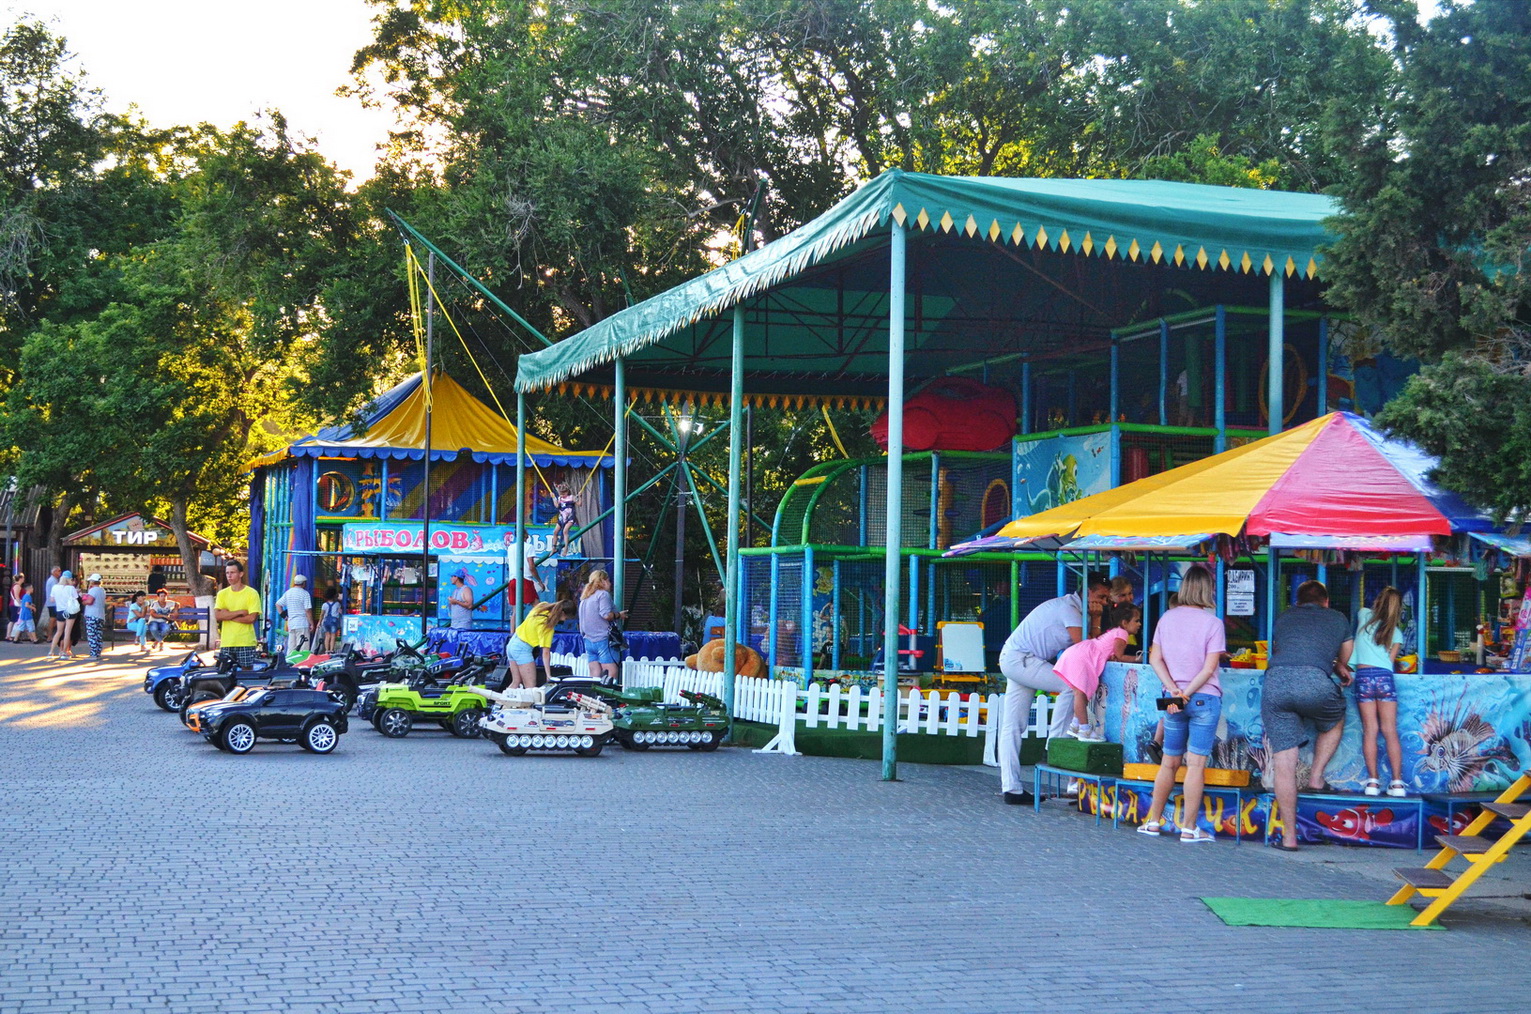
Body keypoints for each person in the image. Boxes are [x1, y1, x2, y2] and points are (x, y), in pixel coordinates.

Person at [996, 575, 1110, 805]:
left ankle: (1012, 788)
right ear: (1087, 593)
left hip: (1018, 658)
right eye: (1101, 597)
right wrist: (1097, 618)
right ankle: (1054, 743)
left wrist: (1095, 617)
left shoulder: (1071, 607)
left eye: (1107, 598)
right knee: (1072, 685)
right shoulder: (1069, 609)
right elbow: (1086, 649)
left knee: (1012, 726)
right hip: (1023, 659)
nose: (1105, 602)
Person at [1137, 565, 1227, 844]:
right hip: (1203, 698)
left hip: (1173, 701)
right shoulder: (1213, 623)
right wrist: (1187, 692)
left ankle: (1152, 821)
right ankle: (1189, 828)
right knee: (1196, 765)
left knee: (1169, 762)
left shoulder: (1166, 618)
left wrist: (1173, 690)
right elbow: (1209, 666)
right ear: (1208, 589)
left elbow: (1155, 659)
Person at [1263, 579, 1354, 852]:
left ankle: (1289, 838)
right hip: (1315, 681)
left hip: (1276, 683)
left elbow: (1281, 647)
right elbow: (1345, 655)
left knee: (1284, 765)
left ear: (1298, 602)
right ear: (1326, 601)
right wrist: (1339, 666)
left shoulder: (1285, 617)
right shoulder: (1337, 618)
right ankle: (1316, 777)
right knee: (1335, 717)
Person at [1054, 605, 1141, 740]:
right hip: (1083, 657)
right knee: (1080, 694)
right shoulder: (1122, 633)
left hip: (1081, 654)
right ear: (1124, 623)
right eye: (1136, 620)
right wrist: (1140, 658)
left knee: (1080, 693)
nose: (1139, 624)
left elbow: (1112, 654)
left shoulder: (1115, 632)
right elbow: (1120, 656)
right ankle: (1084, 730)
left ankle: (1075, 725)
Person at [1354, 586, 1407, 798]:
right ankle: (1396, 784)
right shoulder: (1397, 633)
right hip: (1384, 678)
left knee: (1370, 729)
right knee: (1390, 730)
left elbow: (1367, 609)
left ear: (1377, 602)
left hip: (1364, 677)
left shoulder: (1364, 617)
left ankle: (1373, 783)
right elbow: (1389, 662)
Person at [505, 598, 577, 689]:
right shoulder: (547, 626)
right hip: (522, 648)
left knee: (516, 682)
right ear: (562, 613)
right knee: (530, 687)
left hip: (512, 643)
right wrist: (548, 675)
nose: (565, 620)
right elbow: (546, 653)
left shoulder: (542, 605)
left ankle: (500, 702)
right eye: (566, 618)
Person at [579, 569, 627, 682]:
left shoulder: (585, 598)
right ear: (603, 581)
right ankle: (609, 695)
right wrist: (618, 615)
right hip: (603, 639)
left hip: (588, 640)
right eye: (609, 580)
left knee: (595, 673)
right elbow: (606, 615)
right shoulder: (603, 595)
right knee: (610, 670)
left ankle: (595, 695)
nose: (610, 584)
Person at [213, 560, 262, 668]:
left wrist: (228, 615)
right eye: (227, 573)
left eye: (232, 572)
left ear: (241, 574)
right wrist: (239, 612)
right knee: (225, 674)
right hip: (227, 642)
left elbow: (251, 618)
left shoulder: (252, 593)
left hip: (245, 641)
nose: (229, 576)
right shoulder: (222, 594)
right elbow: (217, 616)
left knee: (246, 674)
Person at [274, 573, 314, 653]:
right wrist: (312, 623)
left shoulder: (288, 593)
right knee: (303, 647)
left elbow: (278, 604)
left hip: (291, 623)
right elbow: (308, 610)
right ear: (303, 583)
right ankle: (301, 664)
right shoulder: (305, 594)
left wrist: (284, 616)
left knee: (291, 646)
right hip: (302, 623)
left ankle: (290, 663)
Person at [47, 571, 80, 661]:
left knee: (58, 632)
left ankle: (51, 651)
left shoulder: (55, 587)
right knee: (67, 632)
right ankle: (64, 652)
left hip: (59, 610)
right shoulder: (71, 588)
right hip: (69, 611)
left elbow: (52, 599)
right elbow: (76, 598)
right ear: (70, 579)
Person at [80, 574, 107, 661]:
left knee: (92, 634)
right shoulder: (102, 590)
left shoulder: (93, 590)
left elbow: (89, 601)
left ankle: (93, 653)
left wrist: (83, 601)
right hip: (100, 615)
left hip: (92, 614)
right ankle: (98, 652)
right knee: (98, 634)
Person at [553, 483, 577, 555]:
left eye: (563, 493)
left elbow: (579, 504)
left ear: (567, 492)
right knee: (555, 532)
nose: (562, 495)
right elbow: (557, 506)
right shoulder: (559, 498)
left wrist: (579, 497)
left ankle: (566, 548)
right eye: (560, 493)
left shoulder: (571, 497)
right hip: (562, 517)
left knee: (565, 531)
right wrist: (554, 498)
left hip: (570, 517)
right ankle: (553, 548)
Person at [320, 586, 342, 653]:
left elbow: (322, 614)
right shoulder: (337, 604)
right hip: (334, 621)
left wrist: (319, 622)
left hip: (326, 621)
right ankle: (331, 649)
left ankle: (326, 650)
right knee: (333, 635)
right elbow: (340, 612)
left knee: (327, 635)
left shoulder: (324, 605)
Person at [42, 565, 60, 639]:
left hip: (53, 603)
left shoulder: (53, 580)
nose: (60, 573)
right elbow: (56, 591)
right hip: (53, 603)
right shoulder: (53, 580)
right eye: (59, 571)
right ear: (54, 572)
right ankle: (49, 635)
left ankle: (48, 632)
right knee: (53, 619)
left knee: (54, 619)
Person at [5, 573, 23, 641]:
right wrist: (20, 605)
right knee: (14, 620)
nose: (23, 579)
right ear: (20, 578)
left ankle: (9, 635)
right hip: (15, 605)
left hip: (13, 604)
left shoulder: (15, 586)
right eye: (23, 578)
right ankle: (11, 635)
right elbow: (17, 596)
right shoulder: (17, 586)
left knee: (13, 620)